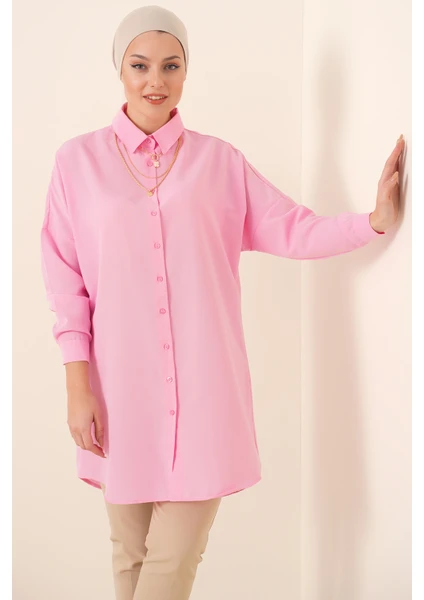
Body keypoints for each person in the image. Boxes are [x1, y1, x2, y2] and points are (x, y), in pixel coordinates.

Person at [39, 5, 405, 600]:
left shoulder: (220, 163)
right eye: (140, 65)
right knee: (130, 556)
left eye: (170, 65)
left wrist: (373, 221)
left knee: (170, 562)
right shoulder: (75, 164)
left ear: (186, 72)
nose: (155, 80)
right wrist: (76, 387)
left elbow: (294, 229)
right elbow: (65, 281)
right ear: (120, 70)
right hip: (118, 395)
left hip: (206, 397)